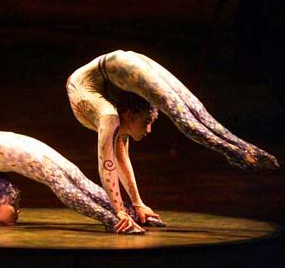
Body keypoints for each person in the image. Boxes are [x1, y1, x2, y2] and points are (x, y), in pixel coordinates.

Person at [66, 50, 279, 233]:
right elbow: (114, 162)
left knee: (188, 114)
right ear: (130, 116)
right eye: (147, 122)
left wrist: (123, 209)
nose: (149, 130)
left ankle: (236, 151)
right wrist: (128, 207)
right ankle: (239, 150)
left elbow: (108, 163)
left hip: (116, 67)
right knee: (190, 113)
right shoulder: (111, 117)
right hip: (116, 66)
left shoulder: (111, 117)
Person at [0, 131, 163, 236]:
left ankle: (120, 217)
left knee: (65, 182)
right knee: (70, 177)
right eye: (15, 204)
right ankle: (127, 213)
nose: (18, 210)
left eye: (13, 205)